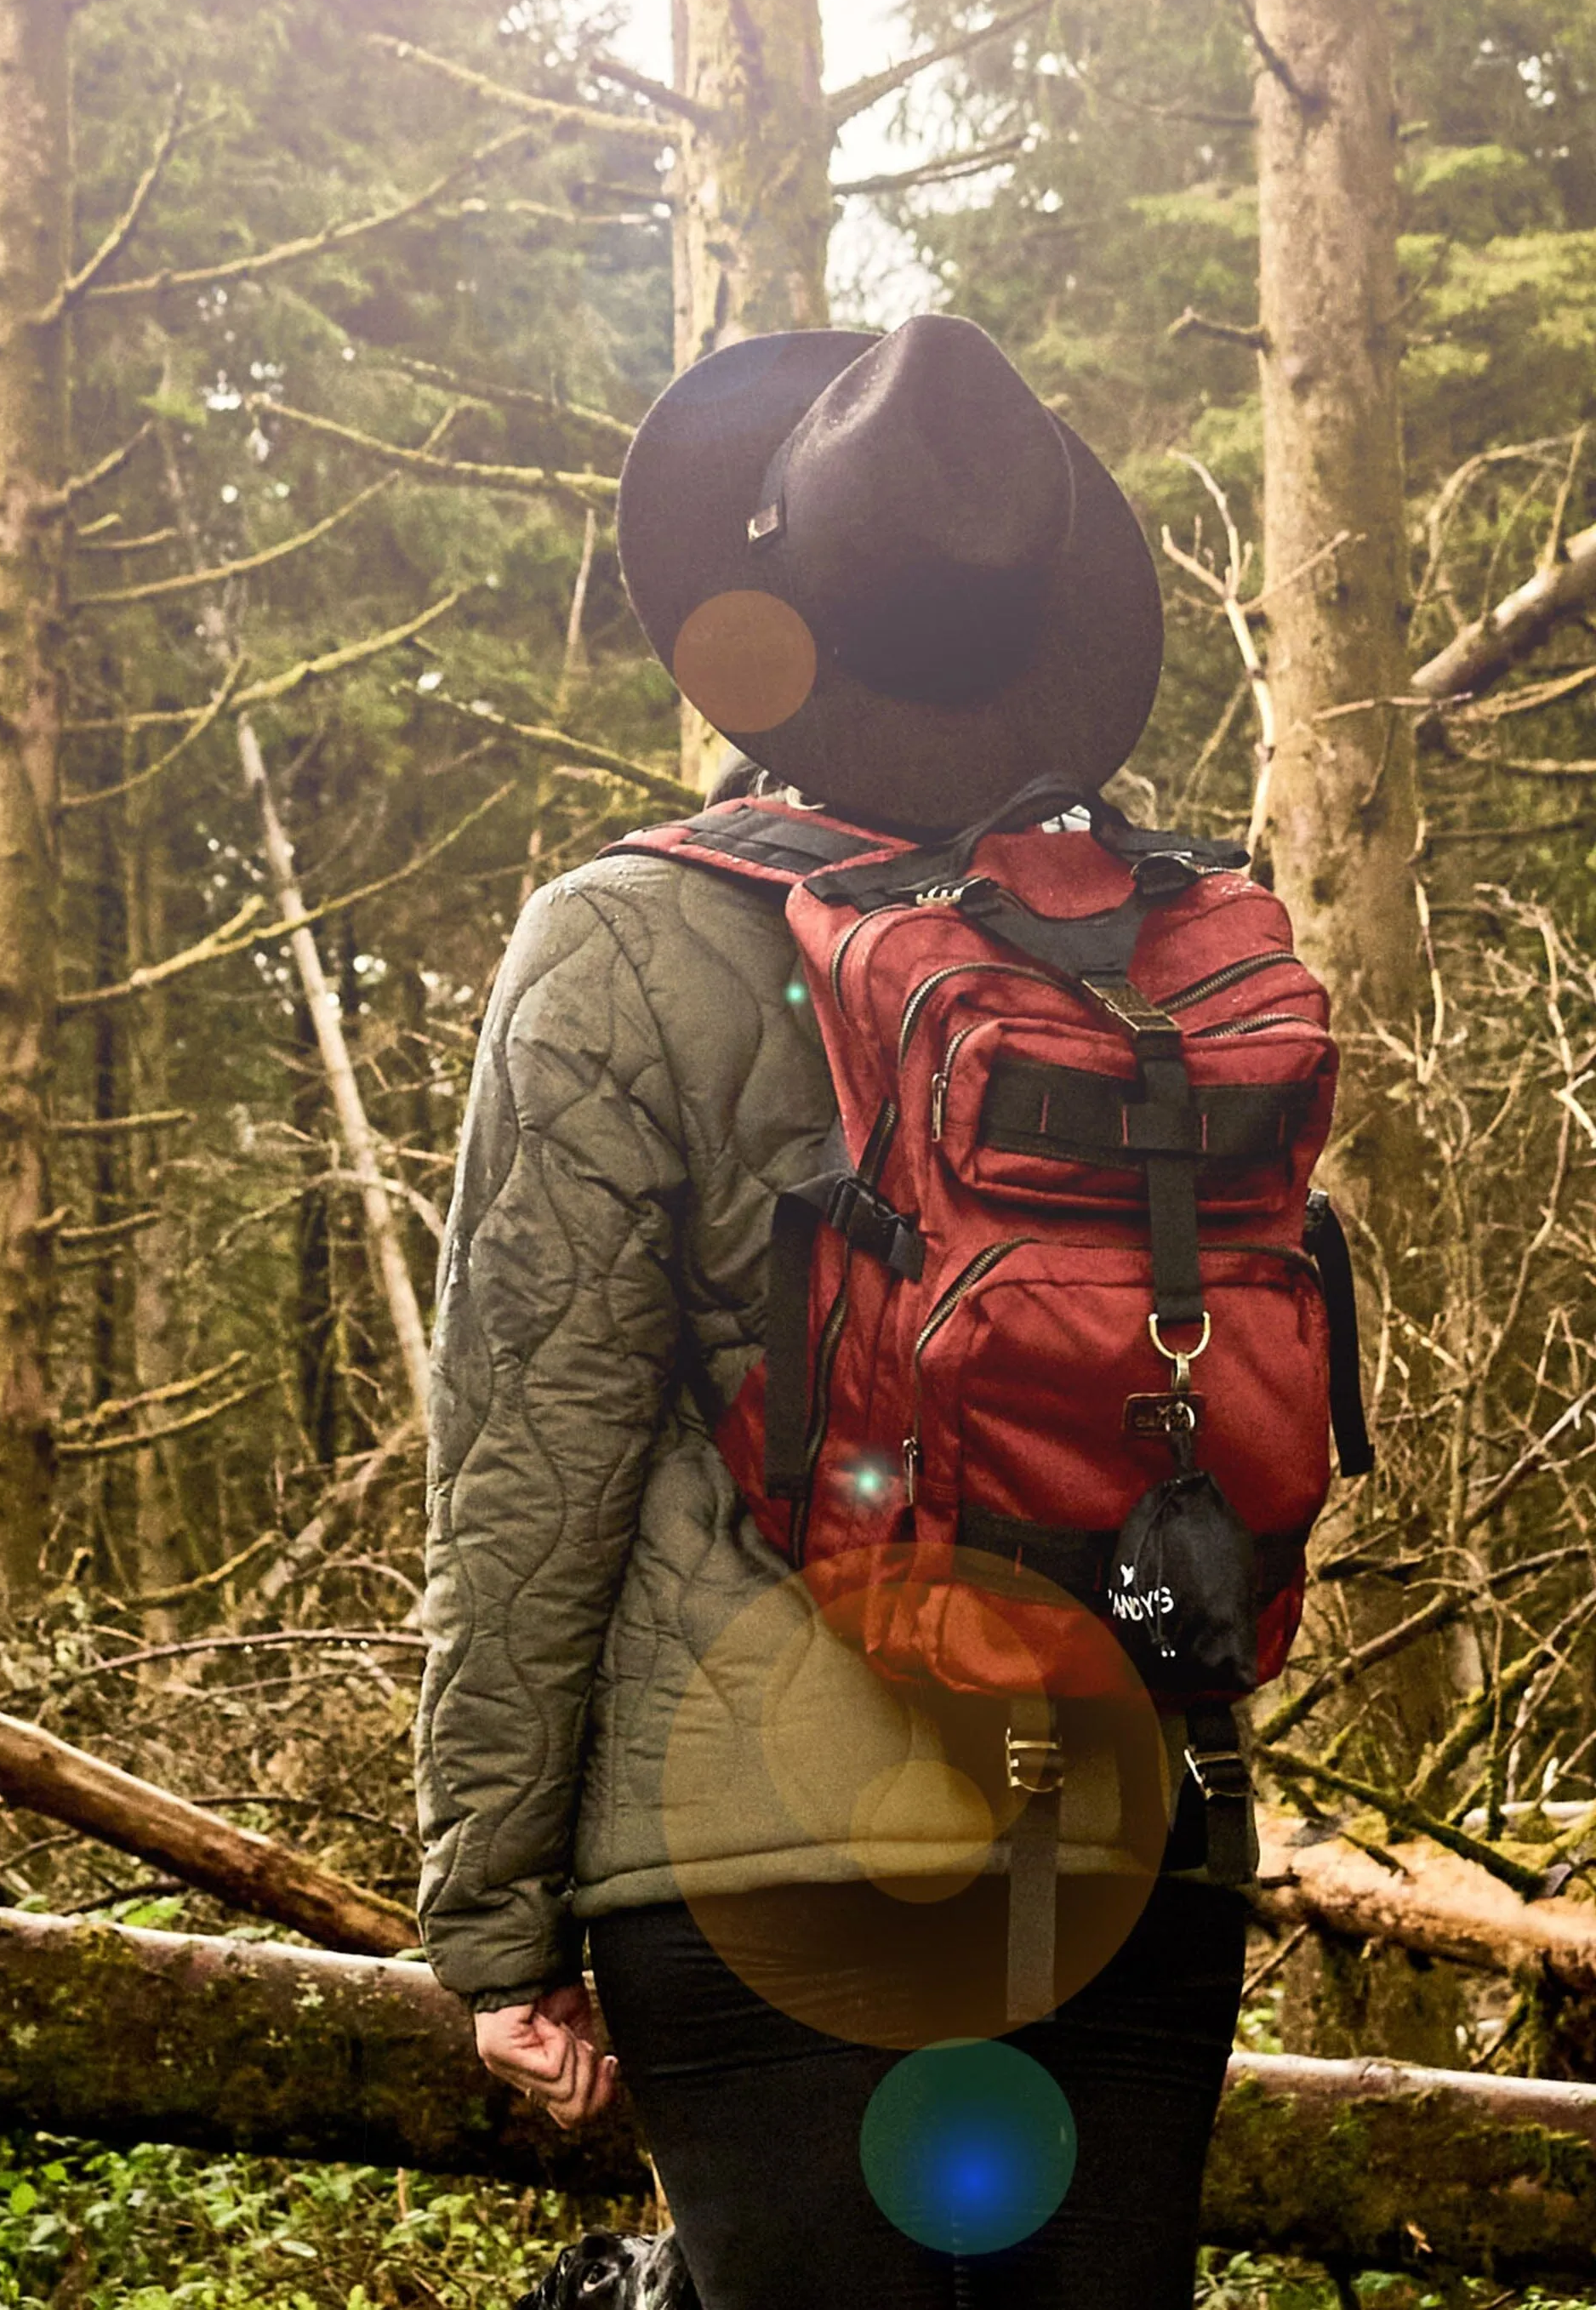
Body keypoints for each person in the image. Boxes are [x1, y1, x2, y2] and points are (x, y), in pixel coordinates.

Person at [415, 317, 1250, 2309]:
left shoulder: (622, 940)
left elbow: (535, 1462)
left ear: (763, 612)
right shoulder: (1169, 955)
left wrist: (495, 1913)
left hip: (764, 1853)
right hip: (1123, 1853)